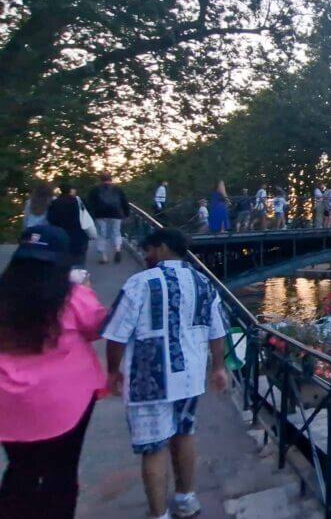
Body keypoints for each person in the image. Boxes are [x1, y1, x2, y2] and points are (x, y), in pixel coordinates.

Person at [103, 228, 229, 519]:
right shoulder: (203, 282)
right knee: (185, 434)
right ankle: (186, 499)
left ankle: (159, 514)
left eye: (147, 250)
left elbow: (116, 335)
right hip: (191, 377)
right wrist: (219, 367)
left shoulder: (140, 283)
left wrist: (112, 371)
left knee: (154, 448)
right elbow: (218, 331)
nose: (145, 256)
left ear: (161, 248)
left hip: (149, 380)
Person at [0, 226, 107, 519]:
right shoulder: (72, 296)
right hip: (65, 402)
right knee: (61, 472)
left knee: (20, 469)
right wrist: (87, 290)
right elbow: (97, 327)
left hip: (7, 402)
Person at [86, 173, 130, 264]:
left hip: (100, 214)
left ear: (100, 180)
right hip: (116, 213)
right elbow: (124, 202)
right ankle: (117, 249)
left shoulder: (95, 190)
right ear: (111, 179)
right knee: (116, 232)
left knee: (101, 234)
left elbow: (89, 203)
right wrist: (126, 214)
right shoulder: (117, 189)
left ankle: (104, 257)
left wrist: (91, 215)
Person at [47, 183, 92, 266]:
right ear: (71, 190)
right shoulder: (79, 201)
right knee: (79, 259)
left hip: (61, 233)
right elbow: (89, 214)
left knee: (63, 258)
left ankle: (64, 271)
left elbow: (51, 219)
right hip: (79, 233)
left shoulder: (55, 203)